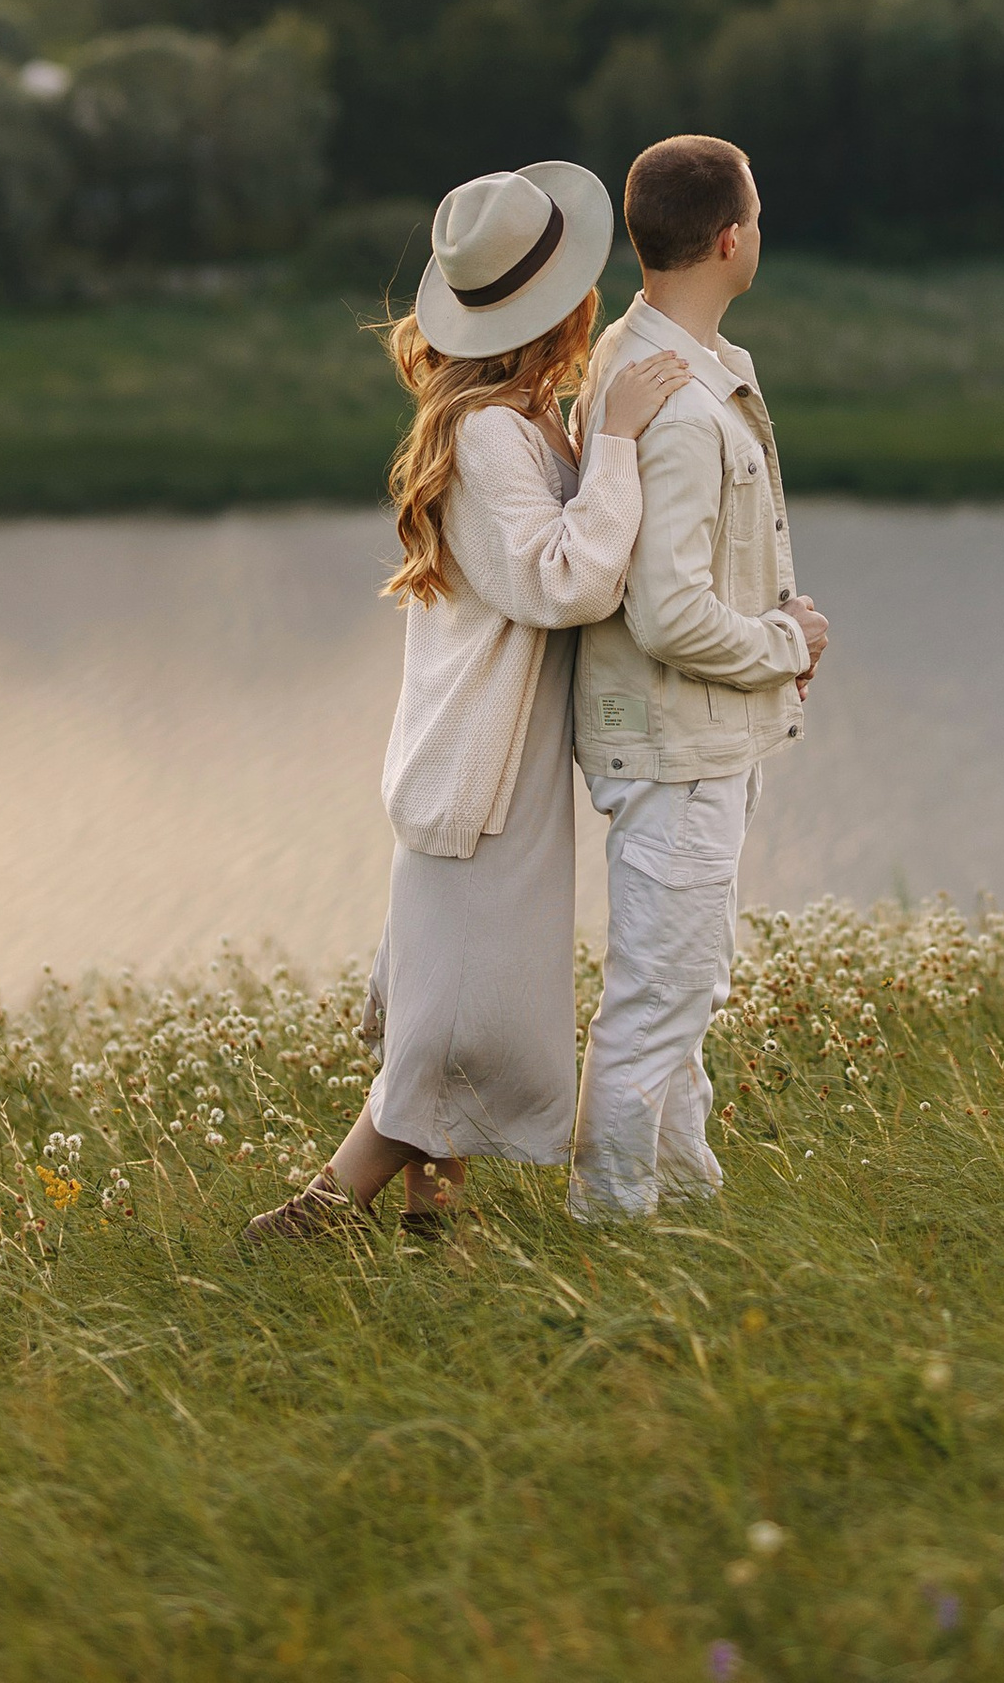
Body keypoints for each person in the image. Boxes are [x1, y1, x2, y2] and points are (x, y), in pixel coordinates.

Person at [244, 159, 686, 1245]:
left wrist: (592, 438)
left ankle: (430, 1231)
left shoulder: (516, 419)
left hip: (494, 768)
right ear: (565, 306)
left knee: (461, 1000)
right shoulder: (492, 434)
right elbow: (566, 580)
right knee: (459, 1024)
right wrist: (619, 439)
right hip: (477, 783)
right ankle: (314, 1218)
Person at [566, 132, 830, 1222]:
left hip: (699, 737)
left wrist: (774, 630)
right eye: (756, 215)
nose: (758, 231)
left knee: (684, 985)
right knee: (657, 994)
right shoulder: (670, 399)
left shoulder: (677, 366)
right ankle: (612, 1220)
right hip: (677, 745)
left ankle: (685, 1195)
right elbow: (669, 612)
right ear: (731, 239)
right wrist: (786, 647)